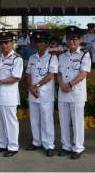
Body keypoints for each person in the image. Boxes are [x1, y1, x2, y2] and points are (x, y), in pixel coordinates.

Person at [57, 26, 91, 159]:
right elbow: (59, 73)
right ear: (66, 40)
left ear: (80, 40)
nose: (72, 41)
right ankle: (66, 146)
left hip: (76, 93)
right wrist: (61, 85)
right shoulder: (62, 55)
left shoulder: (84, 54)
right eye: (69, 39)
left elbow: (83, 73)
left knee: (77, 121)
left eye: (75, 39)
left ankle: (77, 147)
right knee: (63, 121)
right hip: (63, 92)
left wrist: (69, 85)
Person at [0, 31, 23, 157]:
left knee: (10, 121)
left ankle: (13, 146)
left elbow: (16, 78)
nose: (4, 45)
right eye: (2, 43)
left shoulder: (16, 59)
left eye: (6, 42)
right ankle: (2, 144)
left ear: (12, 43)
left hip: (9, 95)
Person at [25, 32, 58, 157]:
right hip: (33, 93)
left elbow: (51, 75)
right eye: (38, 42)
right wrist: (31, 87)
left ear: (46, 44)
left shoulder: (52, 58)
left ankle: (49, 144)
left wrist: (36, 86)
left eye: (42, 42)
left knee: (46, 120)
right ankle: (36, 141)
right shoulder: (32, 58)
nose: (40, 44)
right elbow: (28, 74)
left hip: (45, 94)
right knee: (34, 119)